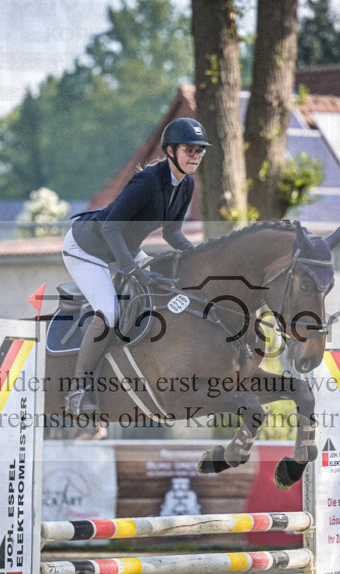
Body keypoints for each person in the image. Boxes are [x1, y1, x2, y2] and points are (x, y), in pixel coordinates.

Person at [61, 117, 209, 415]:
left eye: (199, 151)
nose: (195, 156)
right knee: (110, 312)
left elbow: (172, 234)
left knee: (166, 286)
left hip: (123, 248)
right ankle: (77, 391)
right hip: (86, 247)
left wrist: (202, 256)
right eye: (189, 150)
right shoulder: (147, 181)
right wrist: (132, 269)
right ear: (170, 151)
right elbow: (110, 229)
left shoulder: (185, 185)